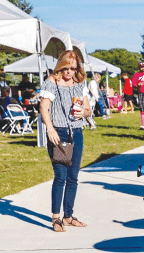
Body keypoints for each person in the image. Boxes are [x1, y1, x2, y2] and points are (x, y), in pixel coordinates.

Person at [39, 50, 91, 232]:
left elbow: (88, 109)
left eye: (73, 68)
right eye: (66, 68)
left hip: (76, 132)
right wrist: (50, 128)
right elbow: (44, 107)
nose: (69, 72)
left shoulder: (79, 83)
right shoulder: (51, 82)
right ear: (61, 66)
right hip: (59, 133)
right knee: (60, 176)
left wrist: (83, 113)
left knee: (73, 177)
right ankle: (56, 217)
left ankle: (68, 216)